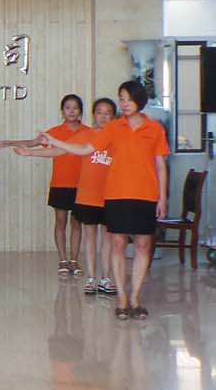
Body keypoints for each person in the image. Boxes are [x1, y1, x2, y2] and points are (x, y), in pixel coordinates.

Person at [40, 81, 168, 321]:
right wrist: (56, 142)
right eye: (122, 99)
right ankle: (122, 299)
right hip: (116, 193)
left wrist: (163, 197)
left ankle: (136, 298)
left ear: (140, 101)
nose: (125, 104)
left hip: (146, 194)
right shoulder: (114, 128)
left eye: (129, 99)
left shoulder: (155, 129)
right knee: (118, 243)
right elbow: (86, 149)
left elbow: (160, 166)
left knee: (143, 246)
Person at [10, 97, 118, 295]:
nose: (103, 117)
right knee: (90, 236)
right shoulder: (86, 135)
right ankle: (91, 278)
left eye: (108, 113)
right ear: (93, 115)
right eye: (99, 112)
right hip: (88, 194)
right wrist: (30, 153)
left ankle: (106, 278)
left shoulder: (118, 136)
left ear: (114, 116)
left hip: (111, 194)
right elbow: (59, 151)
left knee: (108, 237)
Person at [0, 94, 89, 276]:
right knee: (60, 222)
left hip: (82, 185)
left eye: (75, 108)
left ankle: (74, 260)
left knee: (77, 224)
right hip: (60, 184)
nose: (71, 111)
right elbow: (32, 143)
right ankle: (62, 260)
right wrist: (10, 142)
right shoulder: (55, 132)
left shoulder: (88, 132)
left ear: (81, 111)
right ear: (62, 111)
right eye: (67, 107)